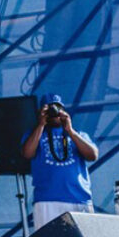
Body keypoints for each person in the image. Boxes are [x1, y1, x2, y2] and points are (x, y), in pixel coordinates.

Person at [20, 94, 99, 229]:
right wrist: (41, 125)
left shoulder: (79, 134)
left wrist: (70, 130)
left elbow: (92, 156)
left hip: (79, 198)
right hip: (47, 200)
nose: (54, 112)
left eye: (57, 108)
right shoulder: (34, 134)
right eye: (49, 109)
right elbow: (27, 153)